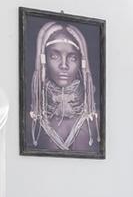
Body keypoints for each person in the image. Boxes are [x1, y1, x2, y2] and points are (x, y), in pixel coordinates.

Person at [27, 20, 99, 154]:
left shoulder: (94, 121)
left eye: (72, 58)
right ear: (44, 61)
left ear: (81, 63)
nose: (64, 65)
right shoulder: (33, 122)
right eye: (55, 56)